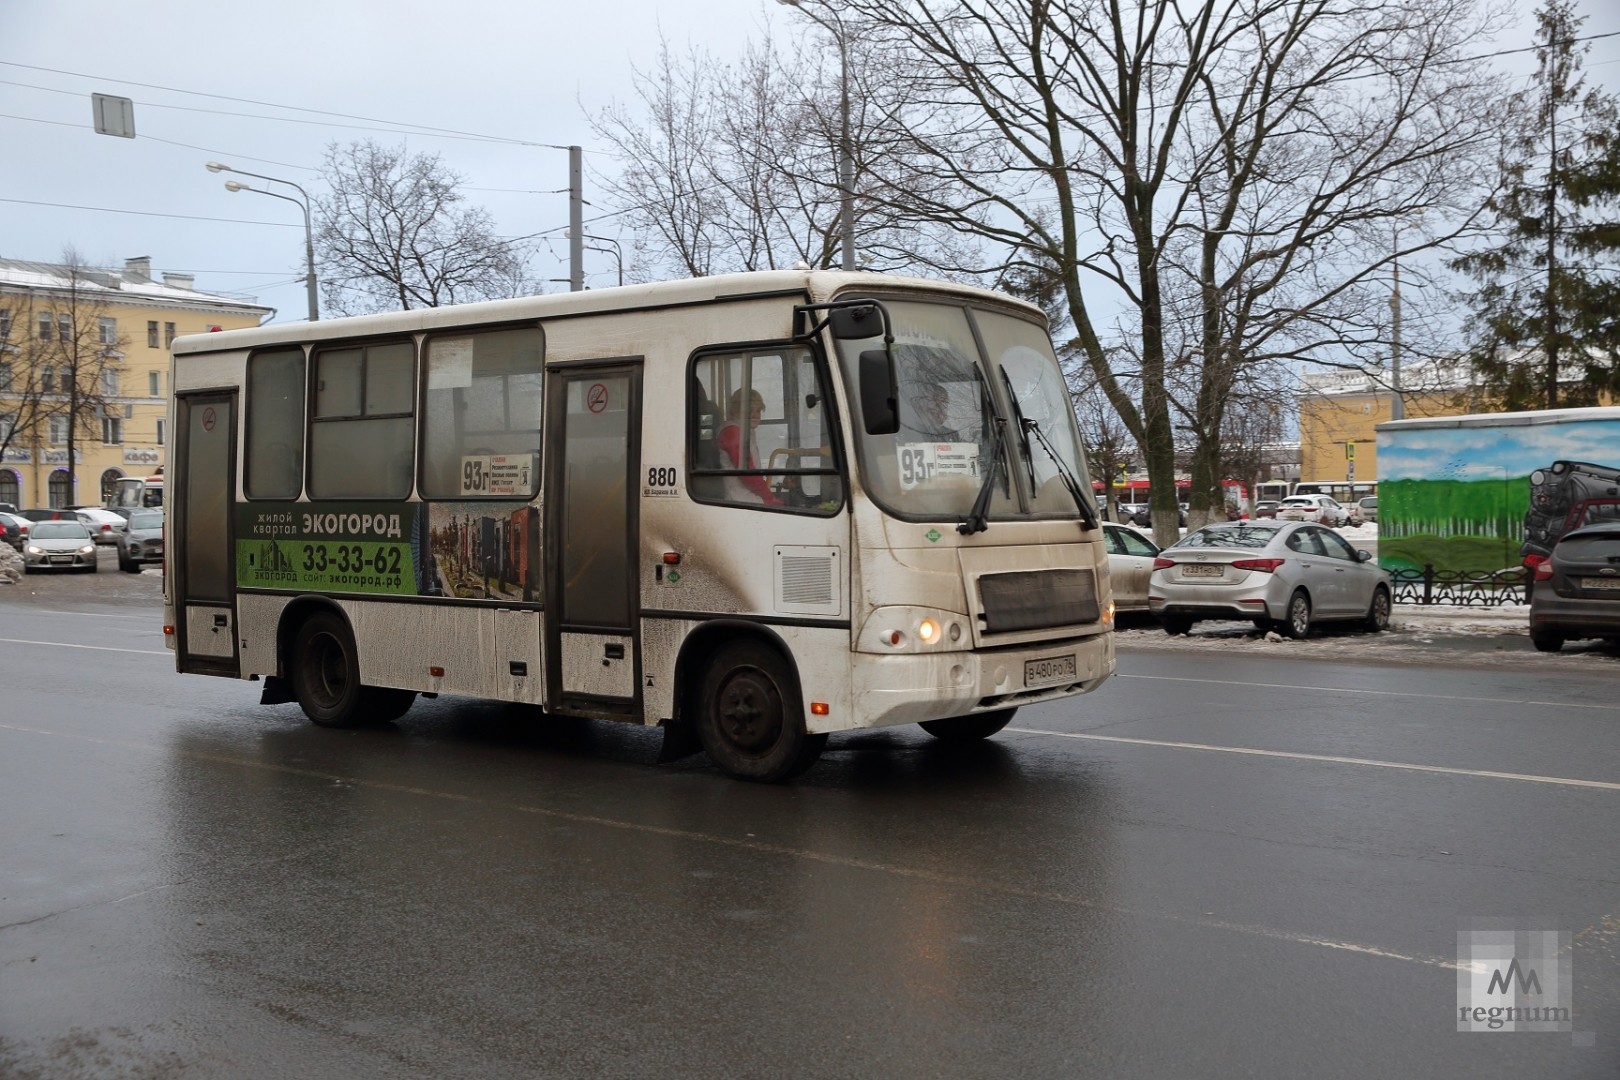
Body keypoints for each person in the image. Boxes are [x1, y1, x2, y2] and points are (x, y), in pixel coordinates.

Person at [717, 388, 783, 506]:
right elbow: (748, 475)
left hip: (745, 495)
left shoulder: (744, 430)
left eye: (758, 411)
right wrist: (770, 497)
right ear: (735, 410)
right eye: (749, 410)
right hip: (738, 499)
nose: (755, 415)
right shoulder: (731, 431)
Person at [899, 383, 967, 443]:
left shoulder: (951, 435)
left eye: (944, 403)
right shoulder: (907, 433)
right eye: (934, 400)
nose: (939, 408)